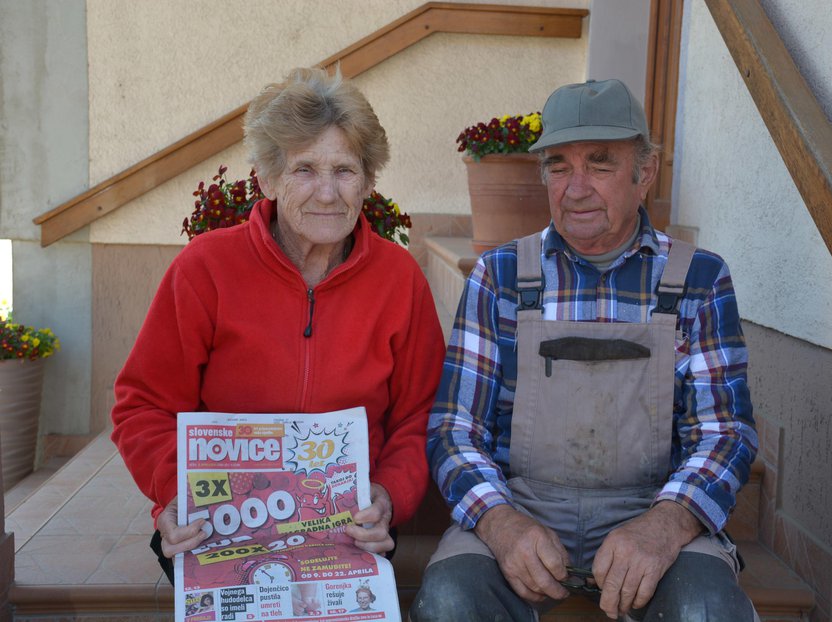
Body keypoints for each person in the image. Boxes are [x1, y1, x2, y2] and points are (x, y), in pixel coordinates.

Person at [411, 79, 758, 621]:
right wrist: (500, 522)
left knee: (707, 609)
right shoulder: (500, 276)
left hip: (651, 509)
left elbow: (725, 433)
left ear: (645, 174)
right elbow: (455, 428)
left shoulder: (698, 278)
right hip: (520, 508)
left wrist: (668, 523)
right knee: (450, 601)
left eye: (599, 164)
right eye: (558, 166)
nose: (575, 188)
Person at [110, 67, 445, 580]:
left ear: (370, 181)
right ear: (266, 178)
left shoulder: (399, 279)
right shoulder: (205, 269)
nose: (328, 193)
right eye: (304, 169)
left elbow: (419, 413)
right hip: (217, 520)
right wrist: (176, 491)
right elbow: (143, 405)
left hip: (351, 522)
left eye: (345, 171)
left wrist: (390, 494)